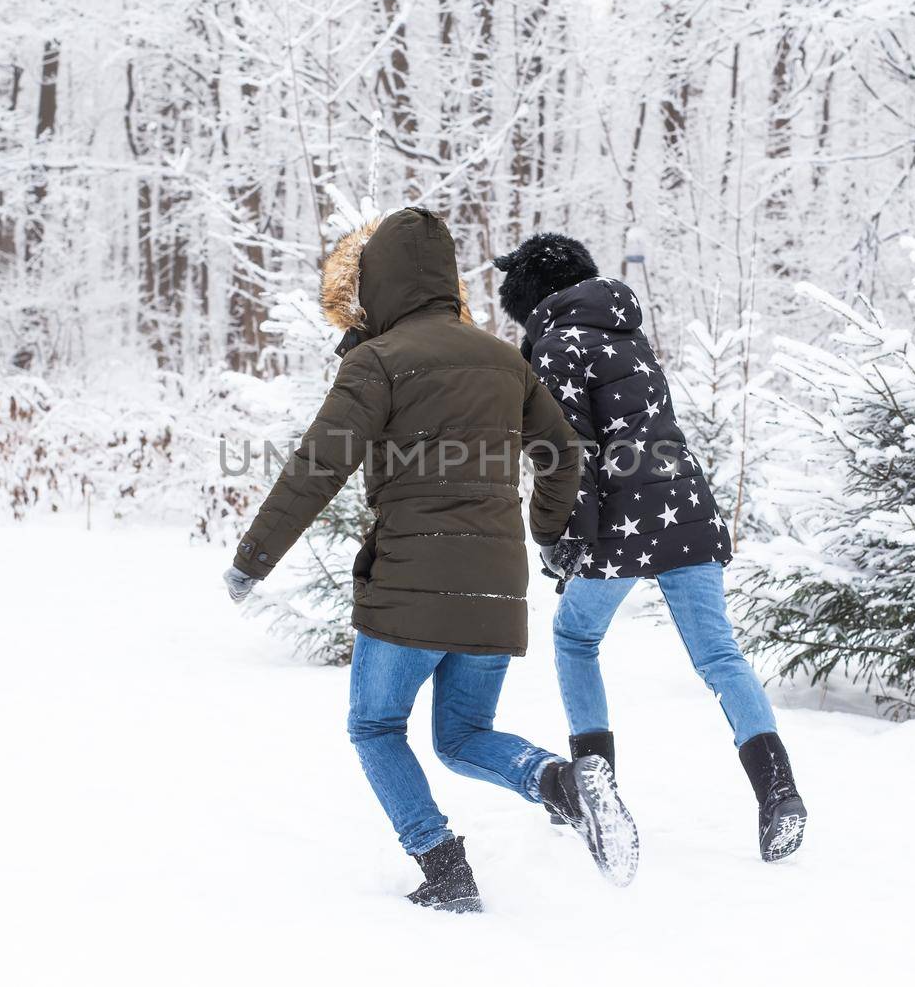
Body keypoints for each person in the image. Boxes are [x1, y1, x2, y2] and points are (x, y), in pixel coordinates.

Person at [222, 208, 640, 913]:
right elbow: (564, 455)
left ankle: (444, 867)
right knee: (463, 734)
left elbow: (316, 466)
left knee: (376, 727)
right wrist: (542, 531)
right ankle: (562, 784)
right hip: (496, 594)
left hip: (408, 589)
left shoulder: (376, 362)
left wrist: (253, 558)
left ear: (380, 282)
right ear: (446, 278)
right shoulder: (506, 358)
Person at [495, 232, 808, 863]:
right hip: (684, 502)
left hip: (620, 518)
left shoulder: (557, 345)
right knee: (719, 654)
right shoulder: (624, 331)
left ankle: (593, 787)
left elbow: (567, 455)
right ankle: (779, 791)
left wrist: (560, 539)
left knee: (574, 638)